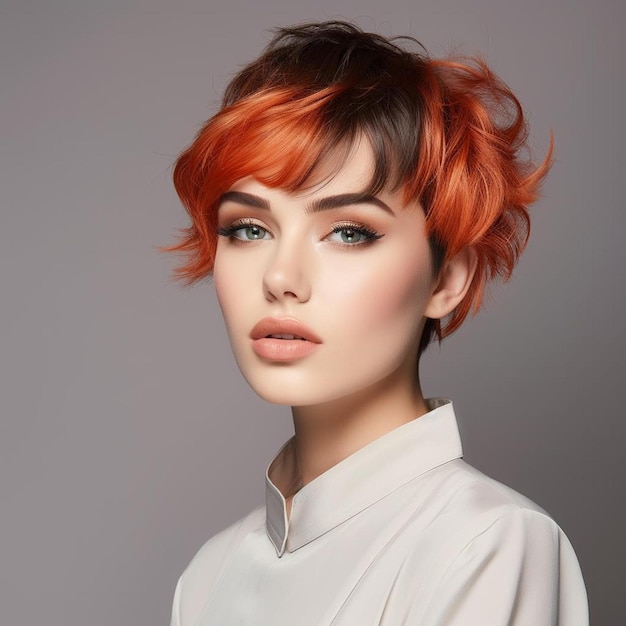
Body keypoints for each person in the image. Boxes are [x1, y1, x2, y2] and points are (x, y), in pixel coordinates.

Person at [165, 21, 588, 625]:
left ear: (446, 279)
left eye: (348, 232)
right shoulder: (208, 577)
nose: (282, 277)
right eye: (249, 228)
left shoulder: (488, 544)